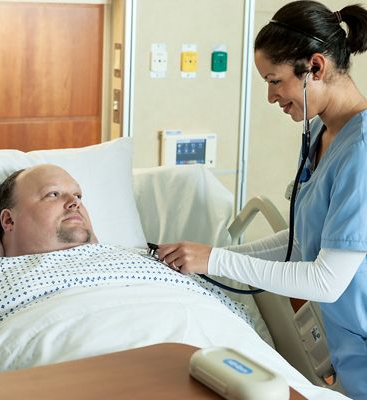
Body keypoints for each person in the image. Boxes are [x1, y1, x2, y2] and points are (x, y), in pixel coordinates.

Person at [157, 1, 367, 399]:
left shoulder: (362, 150)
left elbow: (326, 280)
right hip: (350, 354)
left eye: (275, 80)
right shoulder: (322, 131)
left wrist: (214, 260)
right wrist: (212, 259)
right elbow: (300, 241)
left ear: (315, 68)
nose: (271, 97)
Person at [0, 164, 98, 257]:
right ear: (9, 220)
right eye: (53, 194)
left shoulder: (113, 256)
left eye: (78, 196)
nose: (75, 202)